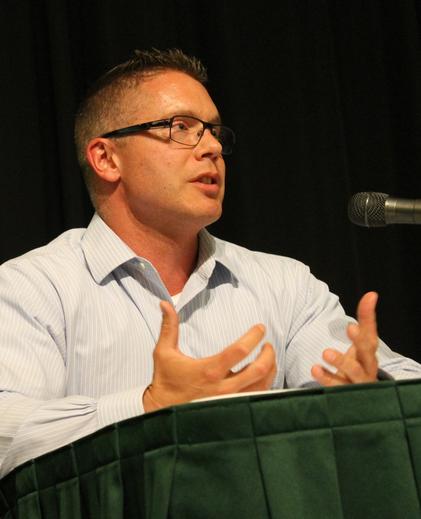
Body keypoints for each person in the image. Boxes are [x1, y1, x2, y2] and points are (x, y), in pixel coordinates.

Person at [1, 48, 420, 479]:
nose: (214, 147)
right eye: (181, 127)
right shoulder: (31, 287)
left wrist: (372, 395)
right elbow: (6, 430)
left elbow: (398, 384)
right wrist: (148, 407)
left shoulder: (283, 284)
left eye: (214, 131)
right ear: (107, 159)